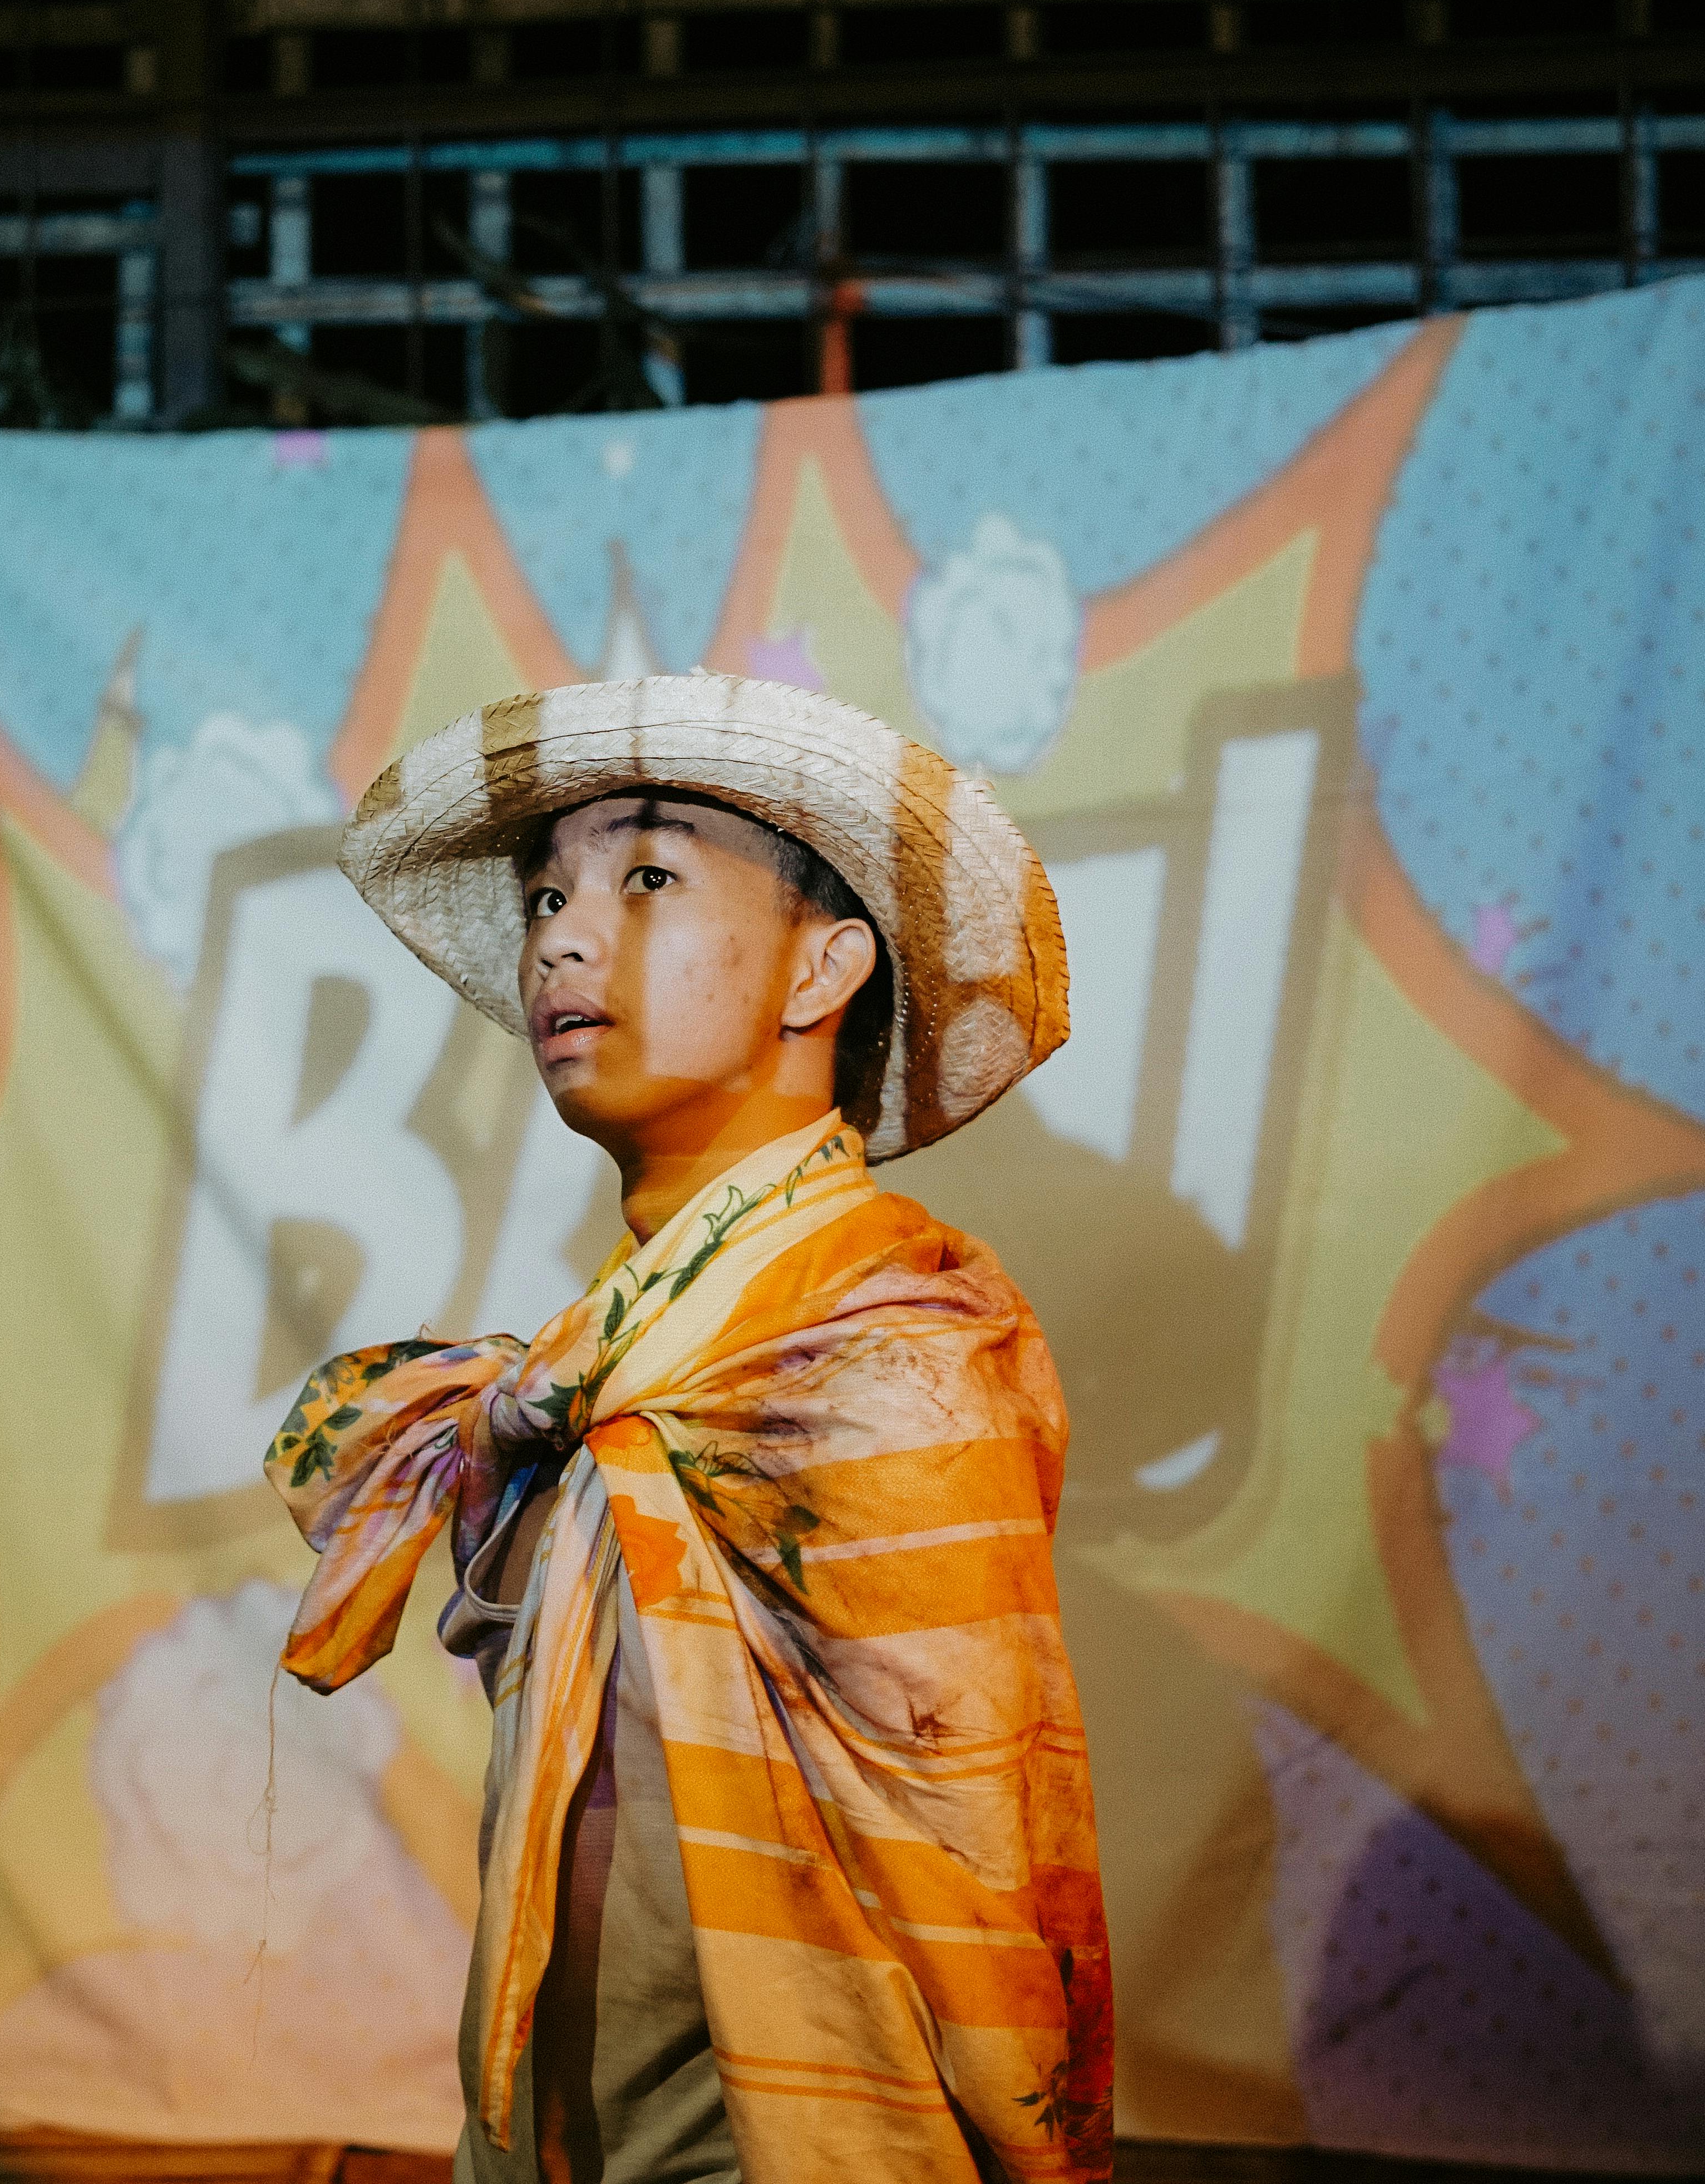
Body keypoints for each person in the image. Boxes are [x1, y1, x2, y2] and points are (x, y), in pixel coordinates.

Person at [265, 671, 1113, 2184]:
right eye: (544, 896)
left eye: (646, 876)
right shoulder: (605, 1364)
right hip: (550, 2128)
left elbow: (975, 1843)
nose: (563, 936)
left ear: (821, 969)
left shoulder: (895, 1342)